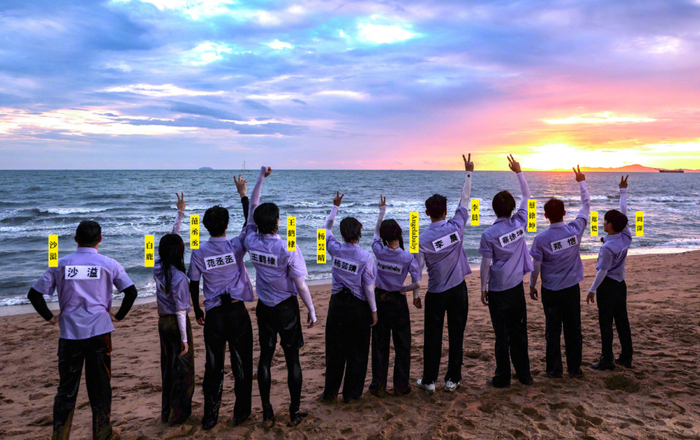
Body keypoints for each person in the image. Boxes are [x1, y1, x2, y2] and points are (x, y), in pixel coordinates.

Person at [27, 220, 138, 440]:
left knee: (66, 389)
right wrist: (119, 315)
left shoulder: (60, 264)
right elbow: (131, 292)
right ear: (100, 239)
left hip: (70, 333)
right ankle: (102, 434)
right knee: (100, 388)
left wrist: (50, 317)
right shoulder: (109, 263)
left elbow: (34, 294)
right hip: (100, 331)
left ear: (76, 239)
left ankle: (60, 435)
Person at [242, 166, 317, 427]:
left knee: (265, 357)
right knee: (292, 359)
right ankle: (294, 412)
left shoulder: (250, 240)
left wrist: (260, 178)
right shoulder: (288, 246)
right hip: (286, 308)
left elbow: (252, 206)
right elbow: (301, 285)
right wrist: (311, 309)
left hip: (265, 307)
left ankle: (267, 412)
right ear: (276, 222)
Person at [187, 175, 255, 430]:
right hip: (237, 312)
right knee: (242, 364)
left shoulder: (199, 251)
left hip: (214, 315)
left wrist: (197, 309)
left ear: (206, 227)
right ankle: (241, 413)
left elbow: (194, 283)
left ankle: (210, 416)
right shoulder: (236, 245)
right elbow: (251, 224)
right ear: (227, 225)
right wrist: (243, 195)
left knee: (213, 366)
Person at [415, 154, 473, 395]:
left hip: (436, 292)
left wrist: (416, 294)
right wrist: (468, 172)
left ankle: (429, 380)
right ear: (446, 211)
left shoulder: (422, 239)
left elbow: (417, 269)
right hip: (458, 290)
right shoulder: (456, 226)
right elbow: (465, 199)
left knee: (433, 337)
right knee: (456, 336)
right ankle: (452, 379)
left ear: (427, 213)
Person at [478, 154, 534, 388]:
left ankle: (503, 377)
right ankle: (524, 375)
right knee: (519, 332)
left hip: (498, 290)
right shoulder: (520, 223)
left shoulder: (488, 234)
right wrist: (519, 172)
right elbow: (527, 196)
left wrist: (483, 288)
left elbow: (485, 264)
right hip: (516, 289)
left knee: (501, 336)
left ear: (494, 209)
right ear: (512, 208)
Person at [528, 166, 590, 379]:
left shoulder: (541, 239)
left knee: (553, 330)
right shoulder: (575, 230)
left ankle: (554, 370)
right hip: (571, 288)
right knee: (574, 328)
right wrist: (581, 182)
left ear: (546, 216)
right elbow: (586, 205)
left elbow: (536, 265)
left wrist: (532, 285)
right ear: (564, 213)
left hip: (551, 290)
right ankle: (575, 368)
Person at [320, 191, 378, 403]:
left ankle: (330, 393)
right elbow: (368, 288)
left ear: (342, 234)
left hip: (336, 304)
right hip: (357, 306)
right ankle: (351, 393)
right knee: (358, 351)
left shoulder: (334, 249)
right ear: (359, 234)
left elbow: (325, 229)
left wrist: (335, 207)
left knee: (334, 350)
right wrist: (374, 311)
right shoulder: (365, 257)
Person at [369, 195, 422, 397]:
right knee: (402, 344)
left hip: (380, 298)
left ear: (384, 237)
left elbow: (375, 232)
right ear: (399, 234)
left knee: (380, 345)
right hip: (398, 300)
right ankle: (401, 386)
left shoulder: (379, 251)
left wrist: (381, 212)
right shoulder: (407, 257)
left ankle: (378, 385)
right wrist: (407, 290)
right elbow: (418, 283)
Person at [154, 193, 194, 425]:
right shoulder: (179, 278)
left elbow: (171, 239)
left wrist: (180, 214)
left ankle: (166, 412)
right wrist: (185, 339)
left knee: (167, 367)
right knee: (184, 369)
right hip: (177, 324)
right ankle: (179, 415)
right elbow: (180, 311)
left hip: (162, 322)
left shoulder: (157, 267)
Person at [587, 175, 633, 370]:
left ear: (610, 226)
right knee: (622, 321)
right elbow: (623, 213)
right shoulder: (626, 236)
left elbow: (603, 271)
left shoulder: (607, 248)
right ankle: (627, 356)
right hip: (621, 285)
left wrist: (592, 289)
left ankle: (607, 359)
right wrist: (622, 191)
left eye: (605, 221)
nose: (603, 223)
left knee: (605, 323)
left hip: (607, 287)